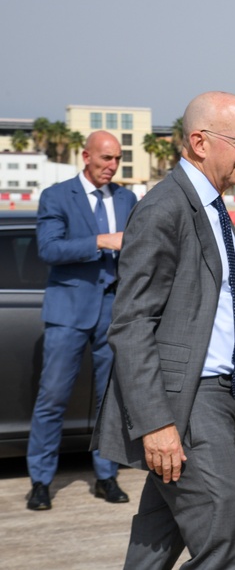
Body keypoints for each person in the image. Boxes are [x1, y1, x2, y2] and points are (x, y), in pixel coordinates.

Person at [93, 91, 235, 568]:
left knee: (153, 551)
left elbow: (210, 303)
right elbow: (131, 324)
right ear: (199, 141)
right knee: (225, 547)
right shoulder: (165, 208)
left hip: (211, 395)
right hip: (184, 407)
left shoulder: (209, 204)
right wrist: (156, 423)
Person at [26, 131, 137, 511]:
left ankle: (106, 476)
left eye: (117, 159)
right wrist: (102, 241)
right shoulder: (56, 196)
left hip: (115, 314)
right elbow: (49, 248)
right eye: (106, 158)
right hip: (69, 313)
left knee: (110, 401)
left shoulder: (127, 198)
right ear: (86, 156)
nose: (112, 166)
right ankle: (40, 481)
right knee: (52, 399)